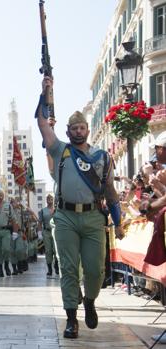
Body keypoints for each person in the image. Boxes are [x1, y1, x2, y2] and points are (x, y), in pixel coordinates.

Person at [36, 76, 123, 339]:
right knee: (69, 269)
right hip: (65, 218)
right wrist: (44, 93)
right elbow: (41, 123)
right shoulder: (59, 150)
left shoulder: (101, 157)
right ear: (67, 131)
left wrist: (118, 223)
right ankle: (71, 317)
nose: (77, 131)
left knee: (96, 270)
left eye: (81, 127)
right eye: (73, 128)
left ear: (87, 129)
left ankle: (90, 300)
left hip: (94, 218)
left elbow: (110, 192)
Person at [0, 190, 18, 277]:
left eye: (1, 195)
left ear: (3, 196)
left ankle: (6, 265)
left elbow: (13, 219)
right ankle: (0, 270)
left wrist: (15, 232)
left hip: (6, 231)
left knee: (6, 249)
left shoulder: (8, 206)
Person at [38, 194, 59, 277]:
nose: (49, 200)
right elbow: (40, 222)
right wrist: (39, 233)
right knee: (48, 251)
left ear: (53, 200)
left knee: (56, 250)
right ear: (46, 200)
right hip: (46, 231)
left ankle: (57, 266)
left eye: (51, 198)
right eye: (48, 198)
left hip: (56, 231)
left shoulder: (57, 210)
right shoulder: (43, 210)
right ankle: (49, 269)